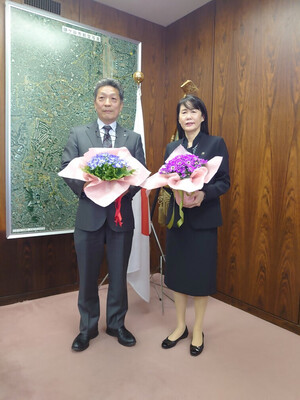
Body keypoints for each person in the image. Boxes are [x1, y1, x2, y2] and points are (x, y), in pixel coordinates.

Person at [61, 78, 146, 351]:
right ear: (95, 102)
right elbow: (67, 167)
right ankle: (87, 328)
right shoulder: (78, 134)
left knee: (118, 274)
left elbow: (140, 174)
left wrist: (120, 193)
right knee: (87, 275)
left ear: (121, 105)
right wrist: (90, 191)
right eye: (102, 97)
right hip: (89, 216)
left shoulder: (133, 138)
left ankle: (116, 324)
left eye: (113, 98)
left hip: (121, 217)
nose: (107, 103)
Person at [161, 95, 230, 356]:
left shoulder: (215, 143)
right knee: (177, 274)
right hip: (178, 219)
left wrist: (203, 194)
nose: (188, 116)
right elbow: (166, 178)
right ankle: (180, 326)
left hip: (203, 220)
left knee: (200, 276)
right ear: (178, 119)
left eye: (193, 111)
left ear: (203, 116)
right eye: (183, 112)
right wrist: (174, 189)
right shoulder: (172, 148)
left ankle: (198, 329)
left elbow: (224, 181)